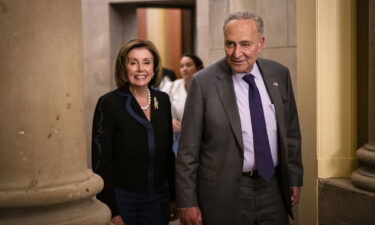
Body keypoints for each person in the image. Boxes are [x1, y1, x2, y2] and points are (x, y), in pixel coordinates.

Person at [175, 12, 303, 225]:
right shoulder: (204, 83)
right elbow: (188, 149)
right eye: (230, 44)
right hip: (224, 192)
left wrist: (295, 177)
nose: (237, 53)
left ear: (261, 43)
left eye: (245, 44)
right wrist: (187, 201)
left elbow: (291, 132)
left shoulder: (278, 74)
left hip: (273, 189)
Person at [92, 39, 178, 225]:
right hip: (123, 199)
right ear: (124, 68)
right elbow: (101, 162)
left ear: (154, 67)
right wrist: (112, 209)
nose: (141, 69)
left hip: (158, 198)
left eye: (146, 62)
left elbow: (168, 154)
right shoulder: (109, 103)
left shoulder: (162, 100)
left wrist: (173, 195)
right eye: (133, 62)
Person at [161, 54, 204, 156]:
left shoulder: (205, 87)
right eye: (181, 66)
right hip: (178, 138)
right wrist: (169, 121)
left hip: (200, 137)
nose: (184, 69)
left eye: (188, 65)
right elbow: (159, 109)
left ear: (198, 68)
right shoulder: (172, 86)